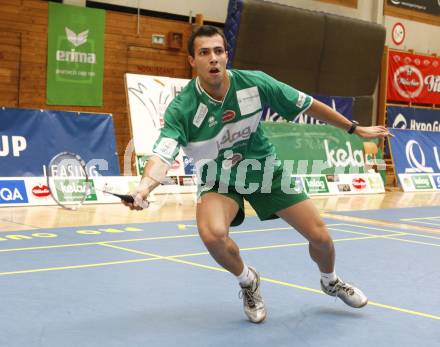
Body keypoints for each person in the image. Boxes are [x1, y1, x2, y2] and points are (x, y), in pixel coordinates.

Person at [124, 25, 391, 324]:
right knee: (212, 234)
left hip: (263, 170)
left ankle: (329, 280)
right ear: (192, 61)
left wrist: (354, 129)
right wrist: (145, 188)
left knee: (321, 239)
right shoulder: (182, 109)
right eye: (204, 53)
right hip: (218, 178)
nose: (213, 58)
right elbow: (162, 154)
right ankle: (247, 280)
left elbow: (308, 105)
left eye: (218, 51)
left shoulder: (254, 84)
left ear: (226, 55)